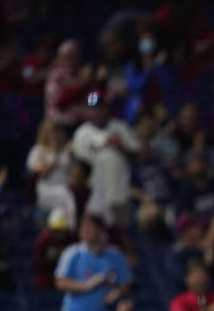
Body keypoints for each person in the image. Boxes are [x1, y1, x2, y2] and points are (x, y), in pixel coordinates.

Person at [54, 214, 132, 311]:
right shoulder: (73, 253)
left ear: (101, 231)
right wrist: (87, 285)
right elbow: (60, 282)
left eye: (89, 227)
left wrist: (116, 294)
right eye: (82, 227)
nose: (84, 231)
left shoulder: (116, 255)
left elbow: (125, 284)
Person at [71, 90, 141, 227]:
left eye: (99, 107)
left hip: (120, 194)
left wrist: (120, 146)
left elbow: (137, 155)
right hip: (95, 196)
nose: (96, 112)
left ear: (106, 108)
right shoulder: (81, 133)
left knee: (122, 233)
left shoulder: (120, 127)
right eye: (92, 108)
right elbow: (79, 167)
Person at [27, 118, 74, 217]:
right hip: (46, 195)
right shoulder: (38, 151)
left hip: (65, 197)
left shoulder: (67, 151)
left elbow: (74, 173)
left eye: (55, 131)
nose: (53, 135)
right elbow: (41, 174)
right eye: (49, 131)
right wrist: (54, 160)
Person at [32, 208, 76, 290]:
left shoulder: (71, 240)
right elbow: (36, 262)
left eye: (63, 231)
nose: (60, 235)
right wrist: (53, 260)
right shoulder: (43, 240)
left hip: (65, 282)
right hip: (45, 283)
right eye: (57, 231)